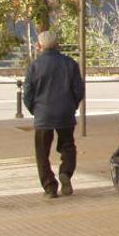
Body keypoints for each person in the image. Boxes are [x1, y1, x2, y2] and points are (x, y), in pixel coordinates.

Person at [23, 30, 85, 198]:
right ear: (58, 45)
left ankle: (50, 187)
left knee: (42, 151)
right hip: (65, 113)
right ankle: (66, 172)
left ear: (39, 46)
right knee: (68, 145)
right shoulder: (70, 63)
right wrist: (72, 106)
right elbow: (79, 90)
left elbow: (27, 93)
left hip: (43, 114)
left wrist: (35, 110)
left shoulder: (34, 66)